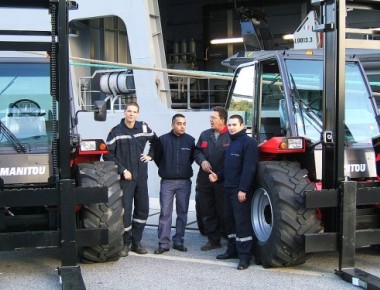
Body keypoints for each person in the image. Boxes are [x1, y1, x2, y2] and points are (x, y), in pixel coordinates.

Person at [104, 101, 157, 257]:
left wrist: (151, 155)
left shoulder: (144, 127)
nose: (131, 114)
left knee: (142, 210)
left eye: (134, 111)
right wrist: (123, 170)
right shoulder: (115, 131)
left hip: (141, 177)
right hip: (126, 178)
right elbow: (107, 154)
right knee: (126, 212)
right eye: (129, 111)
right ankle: (125, 243)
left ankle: (136, 242)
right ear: (124, 112)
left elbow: (156, 141)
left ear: (138, 114)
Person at [209, 114, 258, 270]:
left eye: (234, 125)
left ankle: (244, 257)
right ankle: (232, 250)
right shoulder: (231, 143)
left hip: (239, 190)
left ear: (242, 126)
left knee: (242, 223)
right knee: (229, 221)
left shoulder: (248, 143)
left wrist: (243, 189)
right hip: (228, 188)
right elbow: (229, 167)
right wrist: (218, 176)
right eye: (229, 125)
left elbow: (249, 168)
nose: (231, 127)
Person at [153, 114, 195, 254]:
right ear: (172, 125)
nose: (182, 126)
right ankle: (163, 244)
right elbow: (157, 158)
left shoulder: (190, 141)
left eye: (184, 123)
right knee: (165, 213)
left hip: (184, 183)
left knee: (182, 213)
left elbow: (190, 160)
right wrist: (167, 169)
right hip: (167, 182)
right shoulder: (162, 140)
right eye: (179, 123)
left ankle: (178, 241)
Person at [194, 106, 230, 251]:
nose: (210, 120)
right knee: (207, 209)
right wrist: (202, 160)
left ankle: (228, 236)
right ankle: (213, 240)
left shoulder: (230, 135)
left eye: (213, 118)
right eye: (210, 118)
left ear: (222, 119)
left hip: (222, 180)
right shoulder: (205, 134)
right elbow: (197, 151)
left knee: (224, 209)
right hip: (205, 179)